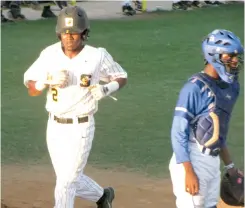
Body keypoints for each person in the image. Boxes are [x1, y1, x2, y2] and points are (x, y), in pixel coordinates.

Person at [23, 6, 128, 208]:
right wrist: (47, 81)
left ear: (84, 33)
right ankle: (103, 196)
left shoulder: (97, 56)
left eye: (74, 33)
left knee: (66, 182)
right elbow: (31, 87)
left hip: (81, 126)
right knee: (68, 178)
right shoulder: (49, 54)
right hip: (54, 126)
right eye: (65, 33)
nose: (69, 37)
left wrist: (107, 89)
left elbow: (121, 76)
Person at [168, 29, 244, 208]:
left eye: (236, 56)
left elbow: (218, 133)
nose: (235, 61)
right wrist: (188, 171)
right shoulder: (194, 88)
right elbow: (178, 131)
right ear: (214, 55)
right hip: (192, 158)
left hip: (212, 162)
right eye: (230, 56)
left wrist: (230, 166)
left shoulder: (231, 88)